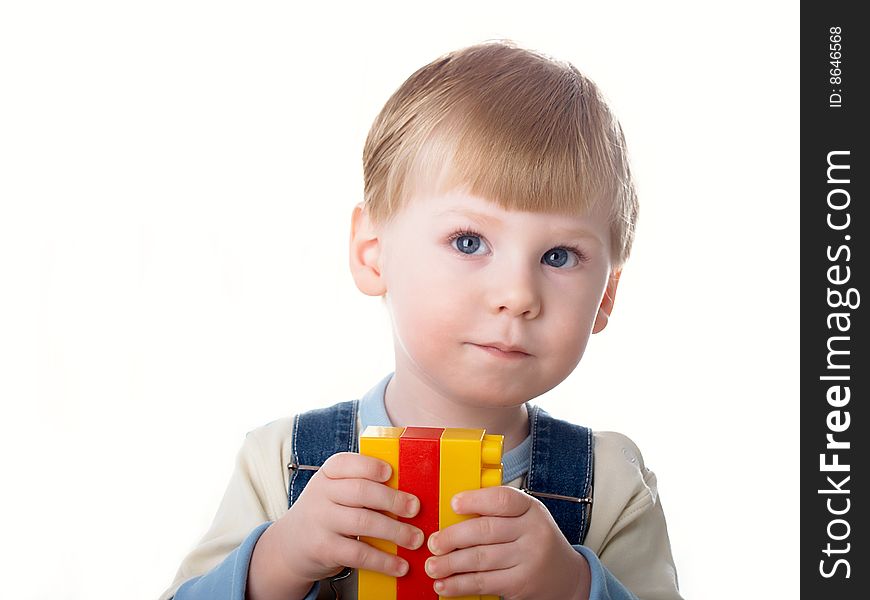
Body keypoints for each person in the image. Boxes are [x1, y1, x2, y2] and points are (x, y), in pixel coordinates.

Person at [160, 39, 683, 600]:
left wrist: (574, 586)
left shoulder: (609, 485)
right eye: (469, 240)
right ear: (373, 251)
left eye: (559, 256)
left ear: (606, 296)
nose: (516, 294)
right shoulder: (281, 462)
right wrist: (277, 560)